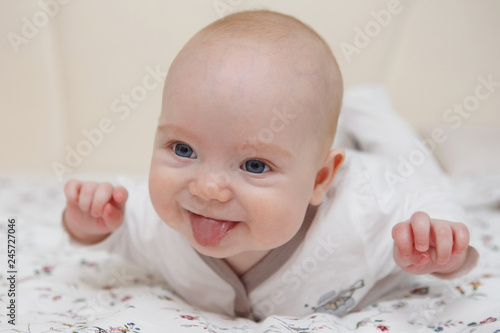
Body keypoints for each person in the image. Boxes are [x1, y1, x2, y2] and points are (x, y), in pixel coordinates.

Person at [62, 10, 478, 321]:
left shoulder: (366, 214)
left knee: (406, 155)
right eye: (184, 149)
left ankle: (368, 110)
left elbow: (430, 197)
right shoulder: (162, 221)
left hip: (382, 167)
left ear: (321, 180)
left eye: (255, 165)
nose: (207, 188)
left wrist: (443, 249)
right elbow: (112, 231)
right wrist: (88, 221)